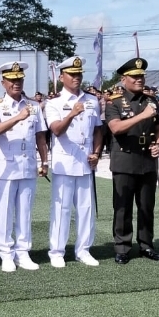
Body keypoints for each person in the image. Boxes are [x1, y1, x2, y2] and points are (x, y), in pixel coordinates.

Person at [0, 61, 48, 272]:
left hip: (28, 164)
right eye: (12, 80)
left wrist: (45, 161)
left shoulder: (33, 106)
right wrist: (18, 117)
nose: (16, 83)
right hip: (7, 166)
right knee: (4, 212)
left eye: (19, 79)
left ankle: (23, 252)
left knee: (25, 211)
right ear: (3, 82)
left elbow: (41, 136)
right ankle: (6, 253)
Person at [45, 56, 104, 268]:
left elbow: (98, 130)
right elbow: (57, 130)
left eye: (79, 74)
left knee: (86, 207)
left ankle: (83, 249)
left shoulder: (92, 100)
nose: (77, 78)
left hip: (86, 160)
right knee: (62, 208)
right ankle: (57, 251)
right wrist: (72, 113)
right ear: (62, 77)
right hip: (65, 159)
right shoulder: (53, 103)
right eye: (72, 75)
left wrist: (97, 152)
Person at [106, 58, 159, 264]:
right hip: (125, 159)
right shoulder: (114, 102)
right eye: (135, 76)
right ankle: (122, 247)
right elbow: (116, 128)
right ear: (124, 79)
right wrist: (142, 116)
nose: (140, 80)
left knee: (146, 206)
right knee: (122, 207)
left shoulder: (152, 100)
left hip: (147, 159)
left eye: (141, 76)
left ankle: (146, 245)